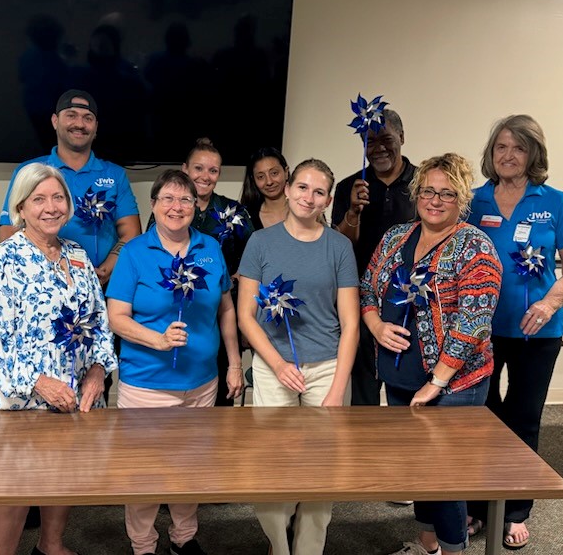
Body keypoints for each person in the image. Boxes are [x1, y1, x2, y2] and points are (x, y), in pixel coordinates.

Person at [360, 153, 502, 555]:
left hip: (455, 383)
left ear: (462, 200)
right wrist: (375, 325)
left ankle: (453, 549)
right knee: (418, 468)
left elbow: (473, 322)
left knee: (446, 476)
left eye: (447, 193)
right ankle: (427, 546)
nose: (435, 200)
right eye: (428, 191)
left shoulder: (475, 247)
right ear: (416, 193)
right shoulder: (395, 237)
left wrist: (436, 381)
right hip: (400, 377)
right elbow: (367, 287)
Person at [0, 163, 117, 555]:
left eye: (58, 198)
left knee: (63, 476)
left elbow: (99, 322)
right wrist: (38, 382)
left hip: (74, 395)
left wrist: (97, 372)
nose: (50, 207)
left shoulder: (77, 255)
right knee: (14, 487)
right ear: (21, 208)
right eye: (39, 199)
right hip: (18, 399)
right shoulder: (5, 259)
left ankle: (51, 545)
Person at [106, 169, 243, 555]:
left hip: (202, 381)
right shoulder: (134, 253)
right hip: (147, 383)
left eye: (184, 199)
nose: (176, 206)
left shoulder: (210, 248)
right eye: (167, 198)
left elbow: (226, 308)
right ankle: (143, 544)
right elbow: (116, 317)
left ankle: (184, 537)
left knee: (192, 467)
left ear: (194, 206)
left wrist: (233, 363)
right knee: (145, 473)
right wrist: (159, 340)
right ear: (153, 205)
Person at [466, 115, 563, 550]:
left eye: (518, 147)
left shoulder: (553, 202)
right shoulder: (473, 201)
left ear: (533, 153)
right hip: (480, 330)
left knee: (523, 416)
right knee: (482, 415)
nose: (508, 155)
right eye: (501, 147)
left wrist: (549, 302)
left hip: (538, 332)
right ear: (491, 154)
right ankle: (479, 505)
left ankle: (515, 508)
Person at [238, 159, 360, 555]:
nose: (309, 197)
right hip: (276, 367)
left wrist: (338, 389)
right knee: (272, 467)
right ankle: (279, 545)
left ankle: (309, 549)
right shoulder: (260, 242)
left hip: (326, 367)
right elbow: (245, 315)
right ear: (288, 190)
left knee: (321, 471)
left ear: (327, 200)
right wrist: (276, 364)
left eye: (319, 191)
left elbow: (351, 323)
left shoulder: (339, 246)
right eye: (302, 187)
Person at [147, 138, 254, 405]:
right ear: (185, 169)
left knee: (218, 393)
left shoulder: (233, 211)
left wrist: (234, 278)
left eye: (213, 170)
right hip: (172, 308)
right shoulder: (169, 209)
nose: (205, 176)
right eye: (198, 168)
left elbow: (256, 252)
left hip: (218, 309)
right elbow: (150, 256)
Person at [0, 89, 141, 284]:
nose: (79, 124)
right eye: (71, 116)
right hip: (42, 284)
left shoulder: (115, 175)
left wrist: (107, 270)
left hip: (104, 284)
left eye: (87, 118)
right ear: (55, 121)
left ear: (96, 127)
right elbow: (9, 232)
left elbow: (131, 232)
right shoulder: (30, 171)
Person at [332, 109, 417, 407]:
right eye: (370, 141)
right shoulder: (349, 187)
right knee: (363, 391)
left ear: (402, 138)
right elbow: (339, 248)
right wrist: (353, 211)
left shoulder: (423, 184)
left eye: (386, 139)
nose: (379, 147)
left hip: (408, 302)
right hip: (359, 300)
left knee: (404, 392)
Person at [240, 147, 291, 230]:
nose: (269, 182)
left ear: (286, 172)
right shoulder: (246, 218)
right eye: (260, 177)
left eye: (274, 173)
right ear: (253, 180)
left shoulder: (304, 210)